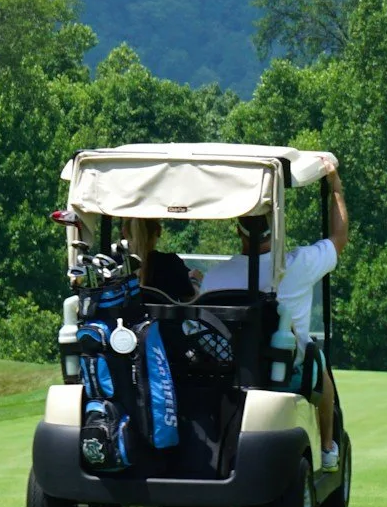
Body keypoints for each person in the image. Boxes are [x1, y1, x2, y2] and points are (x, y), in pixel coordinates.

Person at [197, 158, 347, 470]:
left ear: (238, 231)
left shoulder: (215, 278)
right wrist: (336, 187)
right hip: (283, 367)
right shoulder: (298, 265)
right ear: (274, 227)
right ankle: (328, 448)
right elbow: (339, 238)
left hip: (226, 367)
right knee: (318, 361)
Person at [124, 218, 198, 304]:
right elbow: (191, 301)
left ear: (125, 232)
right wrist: (194, 281)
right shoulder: (171, 263)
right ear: (157, 232)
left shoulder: (120, 266)